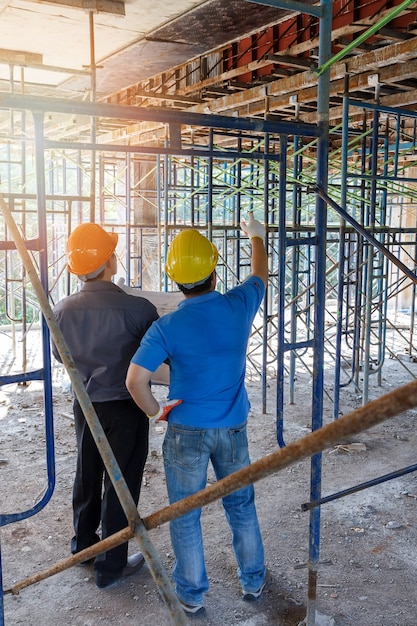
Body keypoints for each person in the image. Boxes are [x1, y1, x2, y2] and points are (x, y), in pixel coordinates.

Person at [126, 213, 269, 614]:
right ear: (214, 271)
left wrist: (158, 411)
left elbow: (135, 381)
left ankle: (191, 593)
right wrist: (257, 236)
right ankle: (254, 581)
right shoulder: (239, 305)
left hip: (186, 428)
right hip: (233, 427)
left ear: (176, 280)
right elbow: (260, 272)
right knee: (241, 504)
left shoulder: (166, 326)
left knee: (185, 512)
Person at [52, 222, 159, 589]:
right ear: (111, 261)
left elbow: (60, 357)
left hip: (86, 405)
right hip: (127, 407)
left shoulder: (61, 311)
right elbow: (154, 359)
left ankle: (84, 548)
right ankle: (111, 565)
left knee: (87, 474)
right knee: (121, 483)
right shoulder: (139, 309)